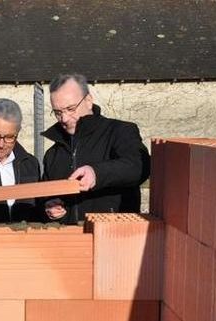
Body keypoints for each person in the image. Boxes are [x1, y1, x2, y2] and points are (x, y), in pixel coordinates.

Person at [41, 73, 150, 224]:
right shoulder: (53, 154)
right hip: (71, 242)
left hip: (115, 237)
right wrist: (51, 206)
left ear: (88, 101)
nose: (64, 119)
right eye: (58, 112)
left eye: (71, 109)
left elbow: (139, 166)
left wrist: (96, 173)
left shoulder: (120, 132)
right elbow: (46, 196)